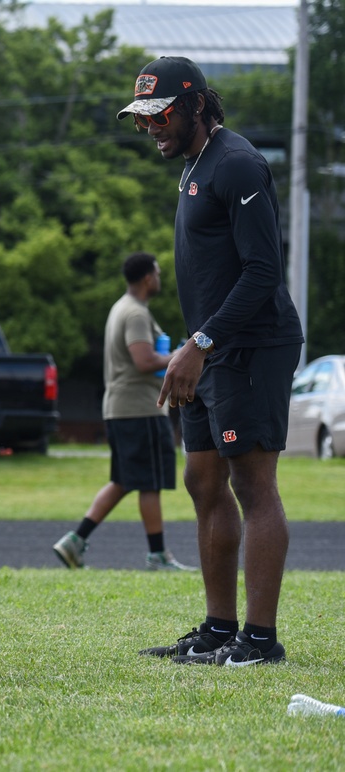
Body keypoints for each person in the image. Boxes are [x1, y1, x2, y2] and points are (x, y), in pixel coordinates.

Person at [118, 57, 304, 666]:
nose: (153, 128)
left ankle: (259, 640)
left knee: (253, 484)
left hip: (252, 345)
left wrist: (200, 344)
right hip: (210, 349)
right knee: (202, 481)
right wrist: (195, 345)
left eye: (162, 114)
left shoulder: (239, 163)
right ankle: (219, 628)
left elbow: (262, 272)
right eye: (144, 119)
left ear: (197, 103)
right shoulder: (194, 163)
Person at [53, 252, 194, 572]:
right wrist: (180, 356)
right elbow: (143, 361)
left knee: (124, 479)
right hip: (139, 409)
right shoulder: (135, 314)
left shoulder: (123, 307)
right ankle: (157, 557)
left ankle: (75, 541)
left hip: (121, 408)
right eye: (157, 274)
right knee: (149, 482)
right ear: (147, 278)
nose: (159, 279)